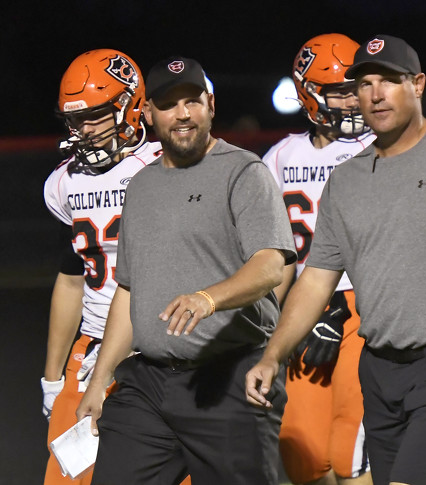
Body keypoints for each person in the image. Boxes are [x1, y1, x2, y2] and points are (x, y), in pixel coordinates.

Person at [246, 34, 426, 485]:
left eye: (389, 80)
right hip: (381, 367)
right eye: (364, 84)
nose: (374, 94)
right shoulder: (345, 177)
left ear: (417, 84)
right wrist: (271, 354)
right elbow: (316, 278)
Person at [76, 56, 297, 485]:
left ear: (210, 105)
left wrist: (208, 298)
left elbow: (270, 266)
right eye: (168, 104)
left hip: (228, 379)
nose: (182, 114)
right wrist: (99, 381)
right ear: (147, 113)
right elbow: (129, 289)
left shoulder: (243, 171)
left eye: (192, 101)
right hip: (148, 385)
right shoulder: (141, 186)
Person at [42, 49, 163, 485]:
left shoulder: (165, 166)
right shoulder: (64, 183)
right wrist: (53, 377)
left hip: (160, 350)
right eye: (76, 120)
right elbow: (72, 279)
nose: (85, 130)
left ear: (130, 105)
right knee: (68, 477)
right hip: (93, 348)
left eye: (95, 115)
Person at [263, 33, 375, 485]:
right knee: (301, 455)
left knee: (351, 450)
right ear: (309, 94)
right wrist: (270, 321)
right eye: (340, 91)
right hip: (305, 309)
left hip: (367, 305)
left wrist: (342, 304)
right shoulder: (279, 158)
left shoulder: (379, 147)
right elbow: (277, 255)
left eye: (356, 89)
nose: (352, 101)